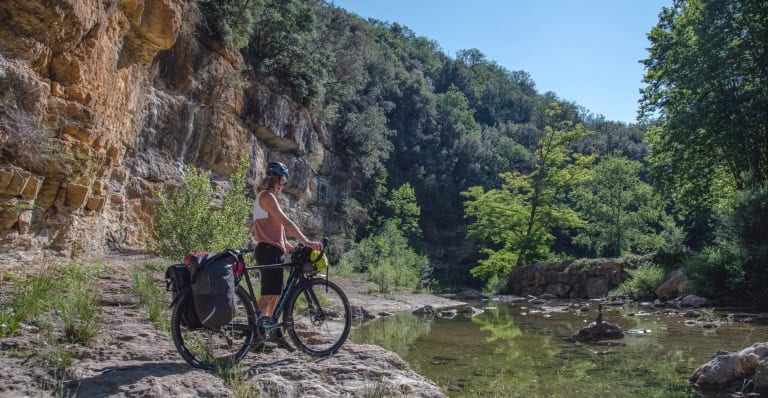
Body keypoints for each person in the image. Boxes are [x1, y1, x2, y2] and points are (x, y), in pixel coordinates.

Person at [251, 161, 322, 350]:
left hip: (272, 250)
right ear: (276, 179)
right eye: (282, 181)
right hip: (268, 251)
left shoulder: (267, 197)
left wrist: (290, 246)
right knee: (268, 296)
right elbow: (286, 222)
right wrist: (306, 241)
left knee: (275, 294)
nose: (283, 186)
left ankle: (273, 332)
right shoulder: (267, 196)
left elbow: (275, 229)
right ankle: (256, 336)